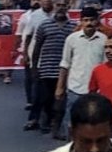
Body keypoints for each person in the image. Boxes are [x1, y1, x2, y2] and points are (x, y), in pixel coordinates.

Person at [56, 7, 107, 139]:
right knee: (71, 124)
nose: (89, 23)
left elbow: (105, 67)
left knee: (92, 123)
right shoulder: (72, 39)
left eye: (92, 20)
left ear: (97, 21)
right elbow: (65, 64)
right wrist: (60, 87)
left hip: (95, 91)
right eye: (85, 20)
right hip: (75, 87)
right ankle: (69, 151)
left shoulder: (104, 40)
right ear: (81, 22)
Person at [28, 7, 76, 137]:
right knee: (46, 98)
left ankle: (57, 126)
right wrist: (34, 67)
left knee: (61, 100)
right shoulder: (44, 25)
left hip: (65, 70)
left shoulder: (74, 26)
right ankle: (45, 122)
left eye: (63, 4)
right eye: (58, 4)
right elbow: (37, 47)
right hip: (46, 68)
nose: (60, 8)